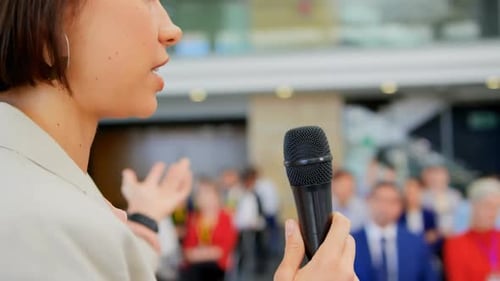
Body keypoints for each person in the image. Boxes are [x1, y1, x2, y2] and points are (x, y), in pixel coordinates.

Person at [0, 1, 357, 280]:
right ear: (48, 25)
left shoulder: (41, 206)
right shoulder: (43, 225)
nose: (172, 30)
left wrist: (139, 226)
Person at [353, 182, 437, 281]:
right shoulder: (350, 241)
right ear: (368, 201)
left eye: (391, 201)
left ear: (400, 206)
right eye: (379, 200)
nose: (384, 206)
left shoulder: (415, 243)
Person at [444, 178, 500, 281]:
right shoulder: (456, 244)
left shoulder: (497, 237)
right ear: (473, 206)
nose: (492, 213)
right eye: (488, 206)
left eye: (496, 207)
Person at [182, 179, 237, 281]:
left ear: (216, 196)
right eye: (201, 194)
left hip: (217, 269)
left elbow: (224, 248)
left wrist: (199, 253)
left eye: (208, 194)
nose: (204, 198)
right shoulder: (193, 219)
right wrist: (208, 252)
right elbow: (188, 251)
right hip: (194, 270)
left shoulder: (225, 218)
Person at [421, 166, 463, 237]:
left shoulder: (455, 195)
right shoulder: (422, 196)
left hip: (453, 234)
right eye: (435, 177)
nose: (438, 179)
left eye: (441, 176)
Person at [400, 178, 440, 248]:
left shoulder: (430, 215)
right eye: (409, 192)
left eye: (415, 192)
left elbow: (437, 239)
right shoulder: (399, 215)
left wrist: (433, 237)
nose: (412, 196)